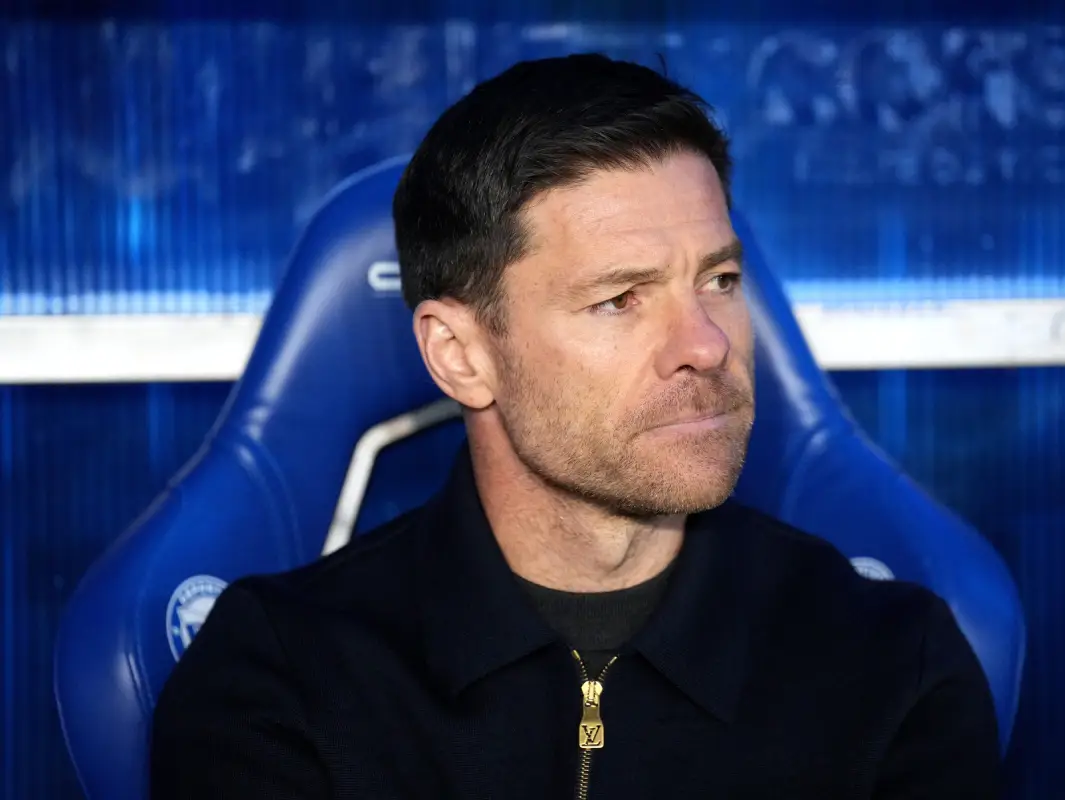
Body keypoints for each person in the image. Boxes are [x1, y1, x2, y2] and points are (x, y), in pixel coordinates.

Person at [150, 53, 1001, 799]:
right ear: (460, 355)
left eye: (720, 281)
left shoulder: (891, 665)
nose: (706, 345)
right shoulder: (278, 683)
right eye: (620, 299)